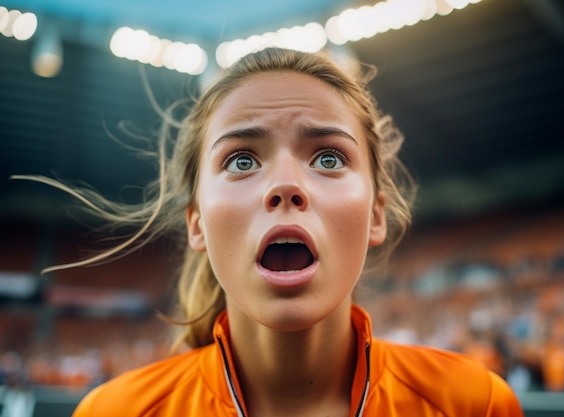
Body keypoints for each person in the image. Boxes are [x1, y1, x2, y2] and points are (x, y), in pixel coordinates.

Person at [36, 47, 522, 416]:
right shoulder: (115, 412)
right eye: (242, 160)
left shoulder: (472, 403)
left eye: (328, 158)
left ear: (377, 215)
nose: (286, 185)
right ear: (197, 222)